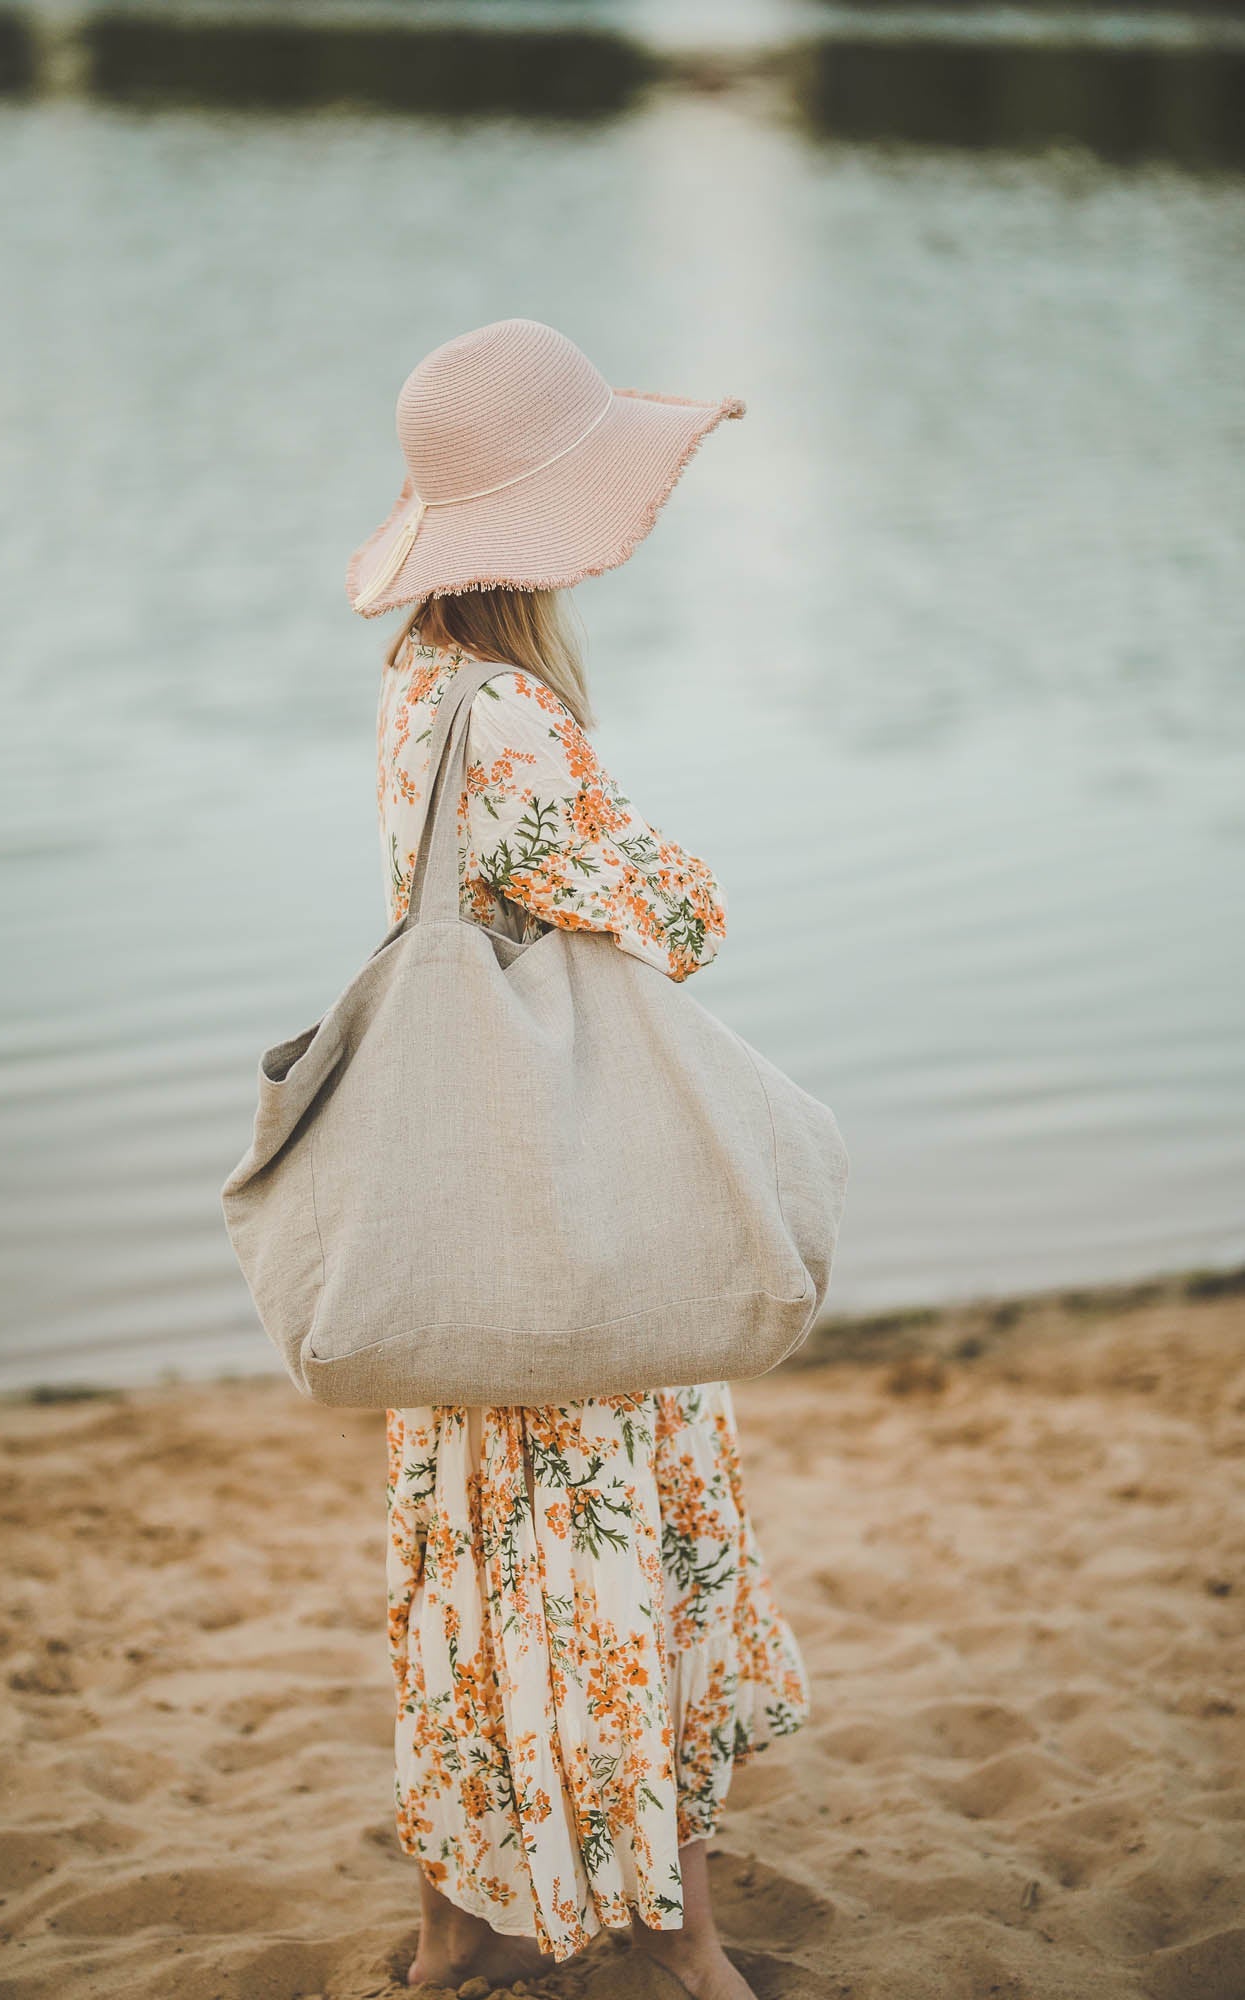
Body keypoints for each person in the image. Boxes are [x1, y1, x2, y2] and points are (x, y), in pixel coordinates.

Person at [347, 320, 810, 2000]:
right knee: (610, 1552)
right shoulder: (520, 722)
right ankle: (683, 1950)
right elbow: (675, 914)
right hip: (564, 1205)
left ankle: (448, 1930)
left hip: (459, 1188)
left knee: (465, 1562)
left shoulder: (415, 688)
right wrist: (674, 865)